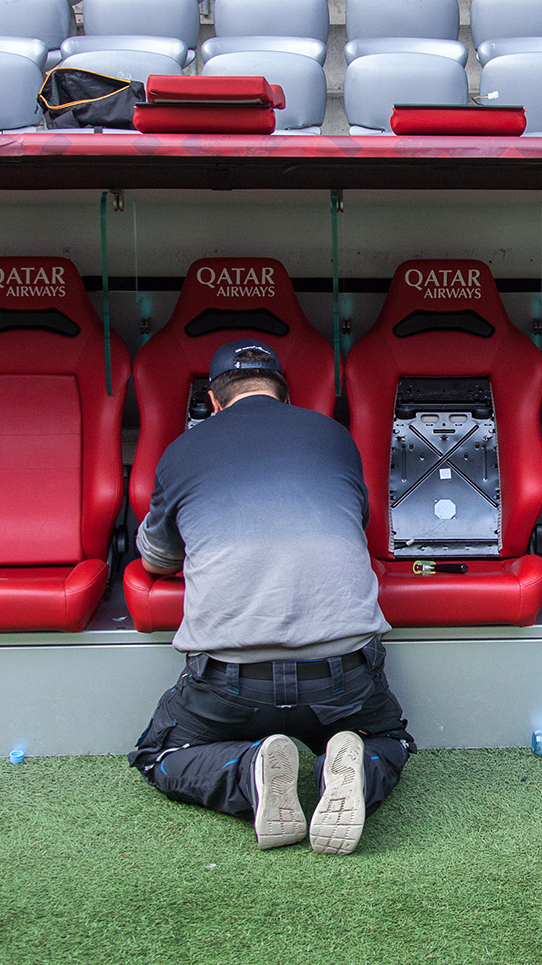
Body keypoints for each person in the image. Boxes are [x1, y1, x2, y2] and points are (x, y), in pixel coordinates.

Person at [127, 338, 414, 855]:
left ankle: (248, 773)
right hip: (342, 674)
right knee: (392, 740)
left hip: (233, 683)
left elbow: (158, 558)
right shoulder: (334, 437)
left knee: (159, 752)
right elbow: (357, 520)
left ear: (213, 400)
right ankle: (350, 764)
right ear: (282, 392)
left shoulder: (181, 451)